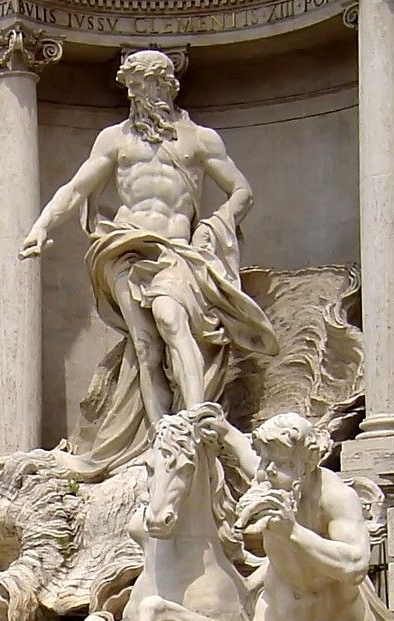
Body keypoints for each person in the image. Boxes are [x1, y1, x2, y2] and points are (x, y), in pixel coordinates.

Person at [21, 49, 279, 479]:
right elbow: (75, 187)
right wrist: (42, 225)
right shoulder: (115, 140)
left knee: (171, 317)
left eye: (153, 84)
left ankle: (198, 425)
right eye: (136, 86)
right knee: (145, 344)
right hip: (125, 246)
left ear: (170, 85)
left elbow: (242, 191)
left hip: (177, 248)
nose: (144, 94)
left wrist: (213, 227)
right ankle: (162, 438)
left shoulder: (200, 139)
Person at [236, 413, 391, 621]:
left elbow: (355, 565)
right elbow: (241, 450)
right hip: (276, 614)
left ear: (307, 464)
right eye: (264, 461)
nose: (268, 471)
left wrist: (292, 532)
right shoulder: (270, 482)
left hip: (337, 620)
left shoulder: (335, 497)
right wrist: (220, 425)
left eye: (282, 463)